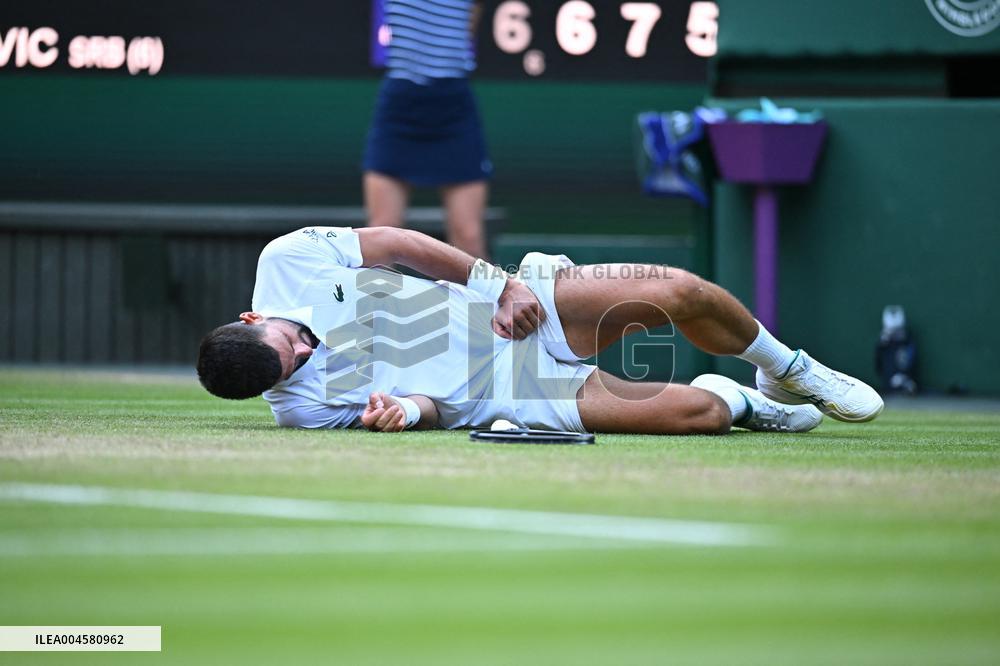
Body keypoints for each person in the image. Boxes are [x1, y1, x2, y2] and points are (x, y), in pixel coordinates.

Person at [197, 226, 884, 435]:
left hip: (519, 308)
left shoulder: (286, 261)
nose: (308, 355)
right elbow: (433, 410)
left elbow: (403, 243)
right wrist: (404, 411)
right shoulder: (300, 409)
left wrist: (503, 284)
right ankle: (744, 399)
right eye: (297, 365)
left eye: (294, 344)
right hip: (513, 394)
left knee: (683, 292)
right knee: (702, 416)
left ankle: (788, 366)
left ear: (256, 318)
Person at [363, 0, 491, 258]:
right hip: (401, 103)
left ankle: (481, 299)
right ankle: (378, 300)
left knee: (469, 237)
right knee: (381, 233)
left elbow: (470, 21)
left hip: (453, 103)